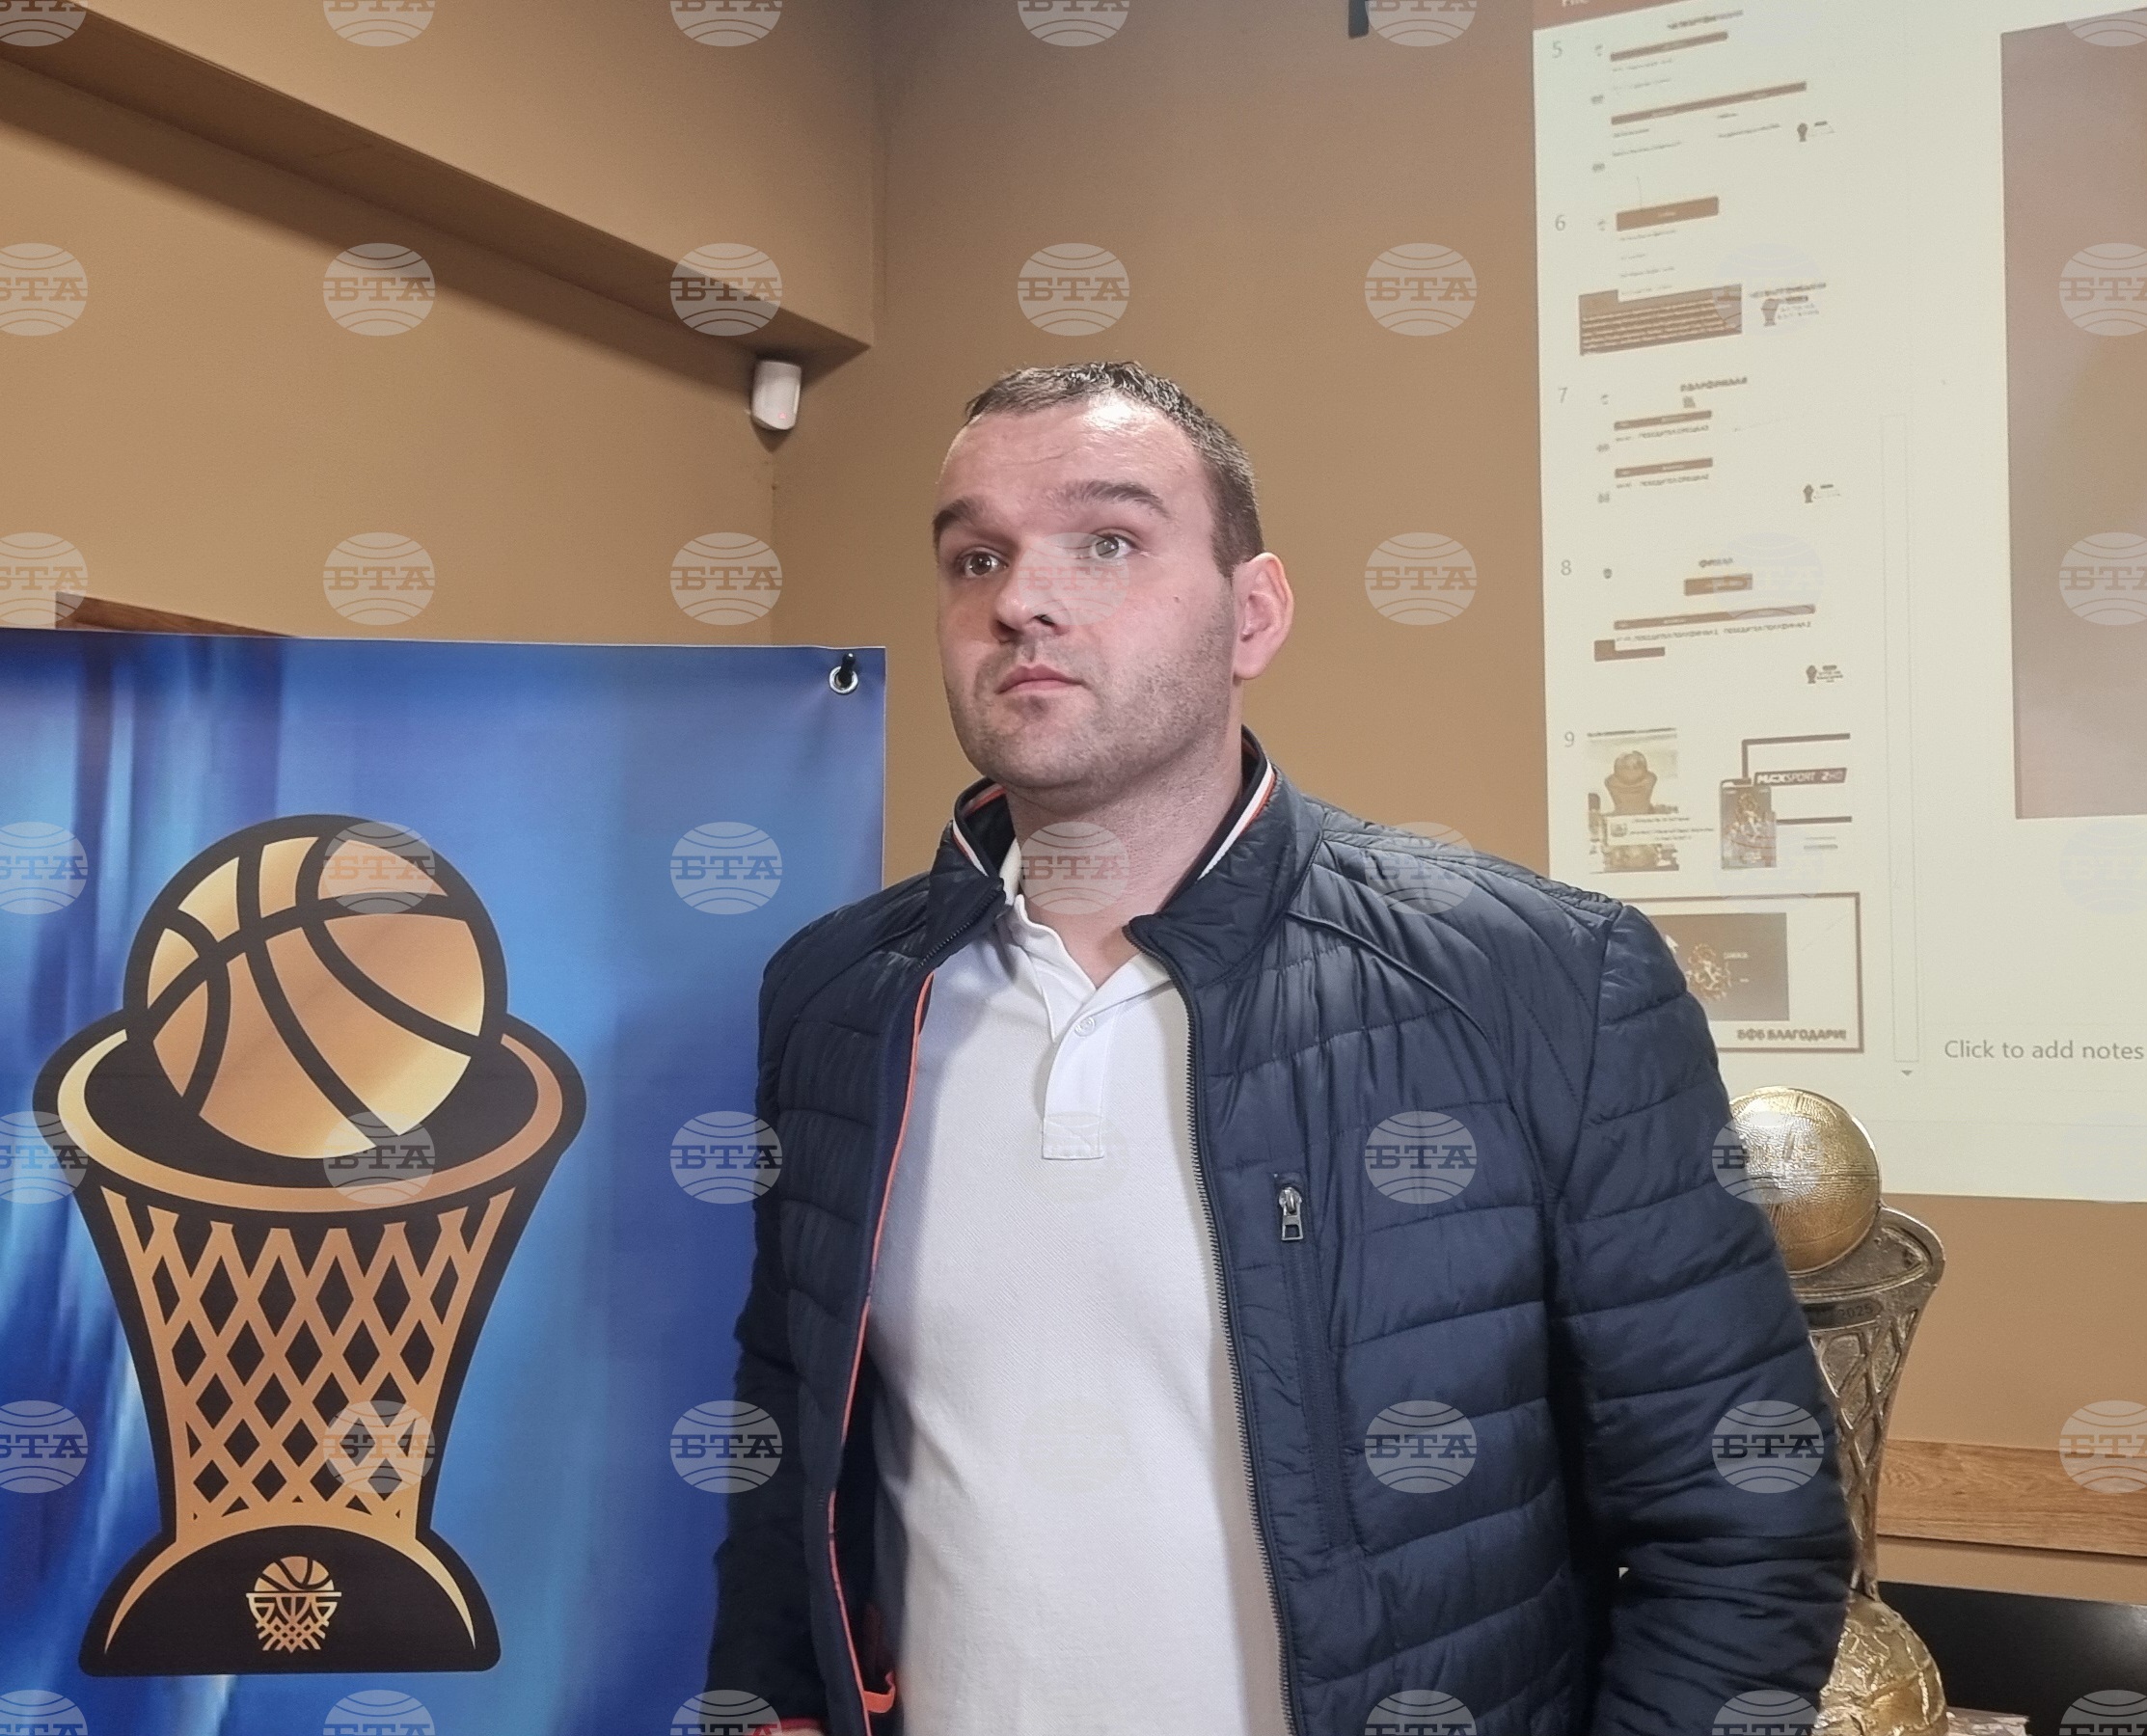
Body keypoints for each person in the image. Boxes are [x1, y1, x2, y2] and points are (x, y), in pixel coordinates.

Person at [706, 362, 1854, 1735]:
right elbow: (789, 1473)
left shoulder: (1549, 980)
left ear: (1252, 615)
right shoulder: (837, 998)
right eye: (976, 558)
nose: (1020, 599)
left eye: (1106, 542)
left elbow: (1741, 1530)